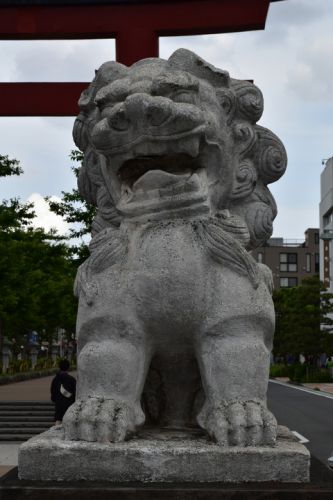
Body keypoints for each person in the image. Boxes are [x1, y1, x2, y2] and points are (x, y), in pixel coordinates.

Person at [50, 359, 76, 425]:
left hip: (58, 406)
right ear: (68, 367)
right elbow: (75, 393)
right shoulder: (72, 379)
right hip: (69, 406)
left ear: (59, 367)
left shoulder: (55, 379)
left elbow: (52, 393)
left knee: (58, 424)